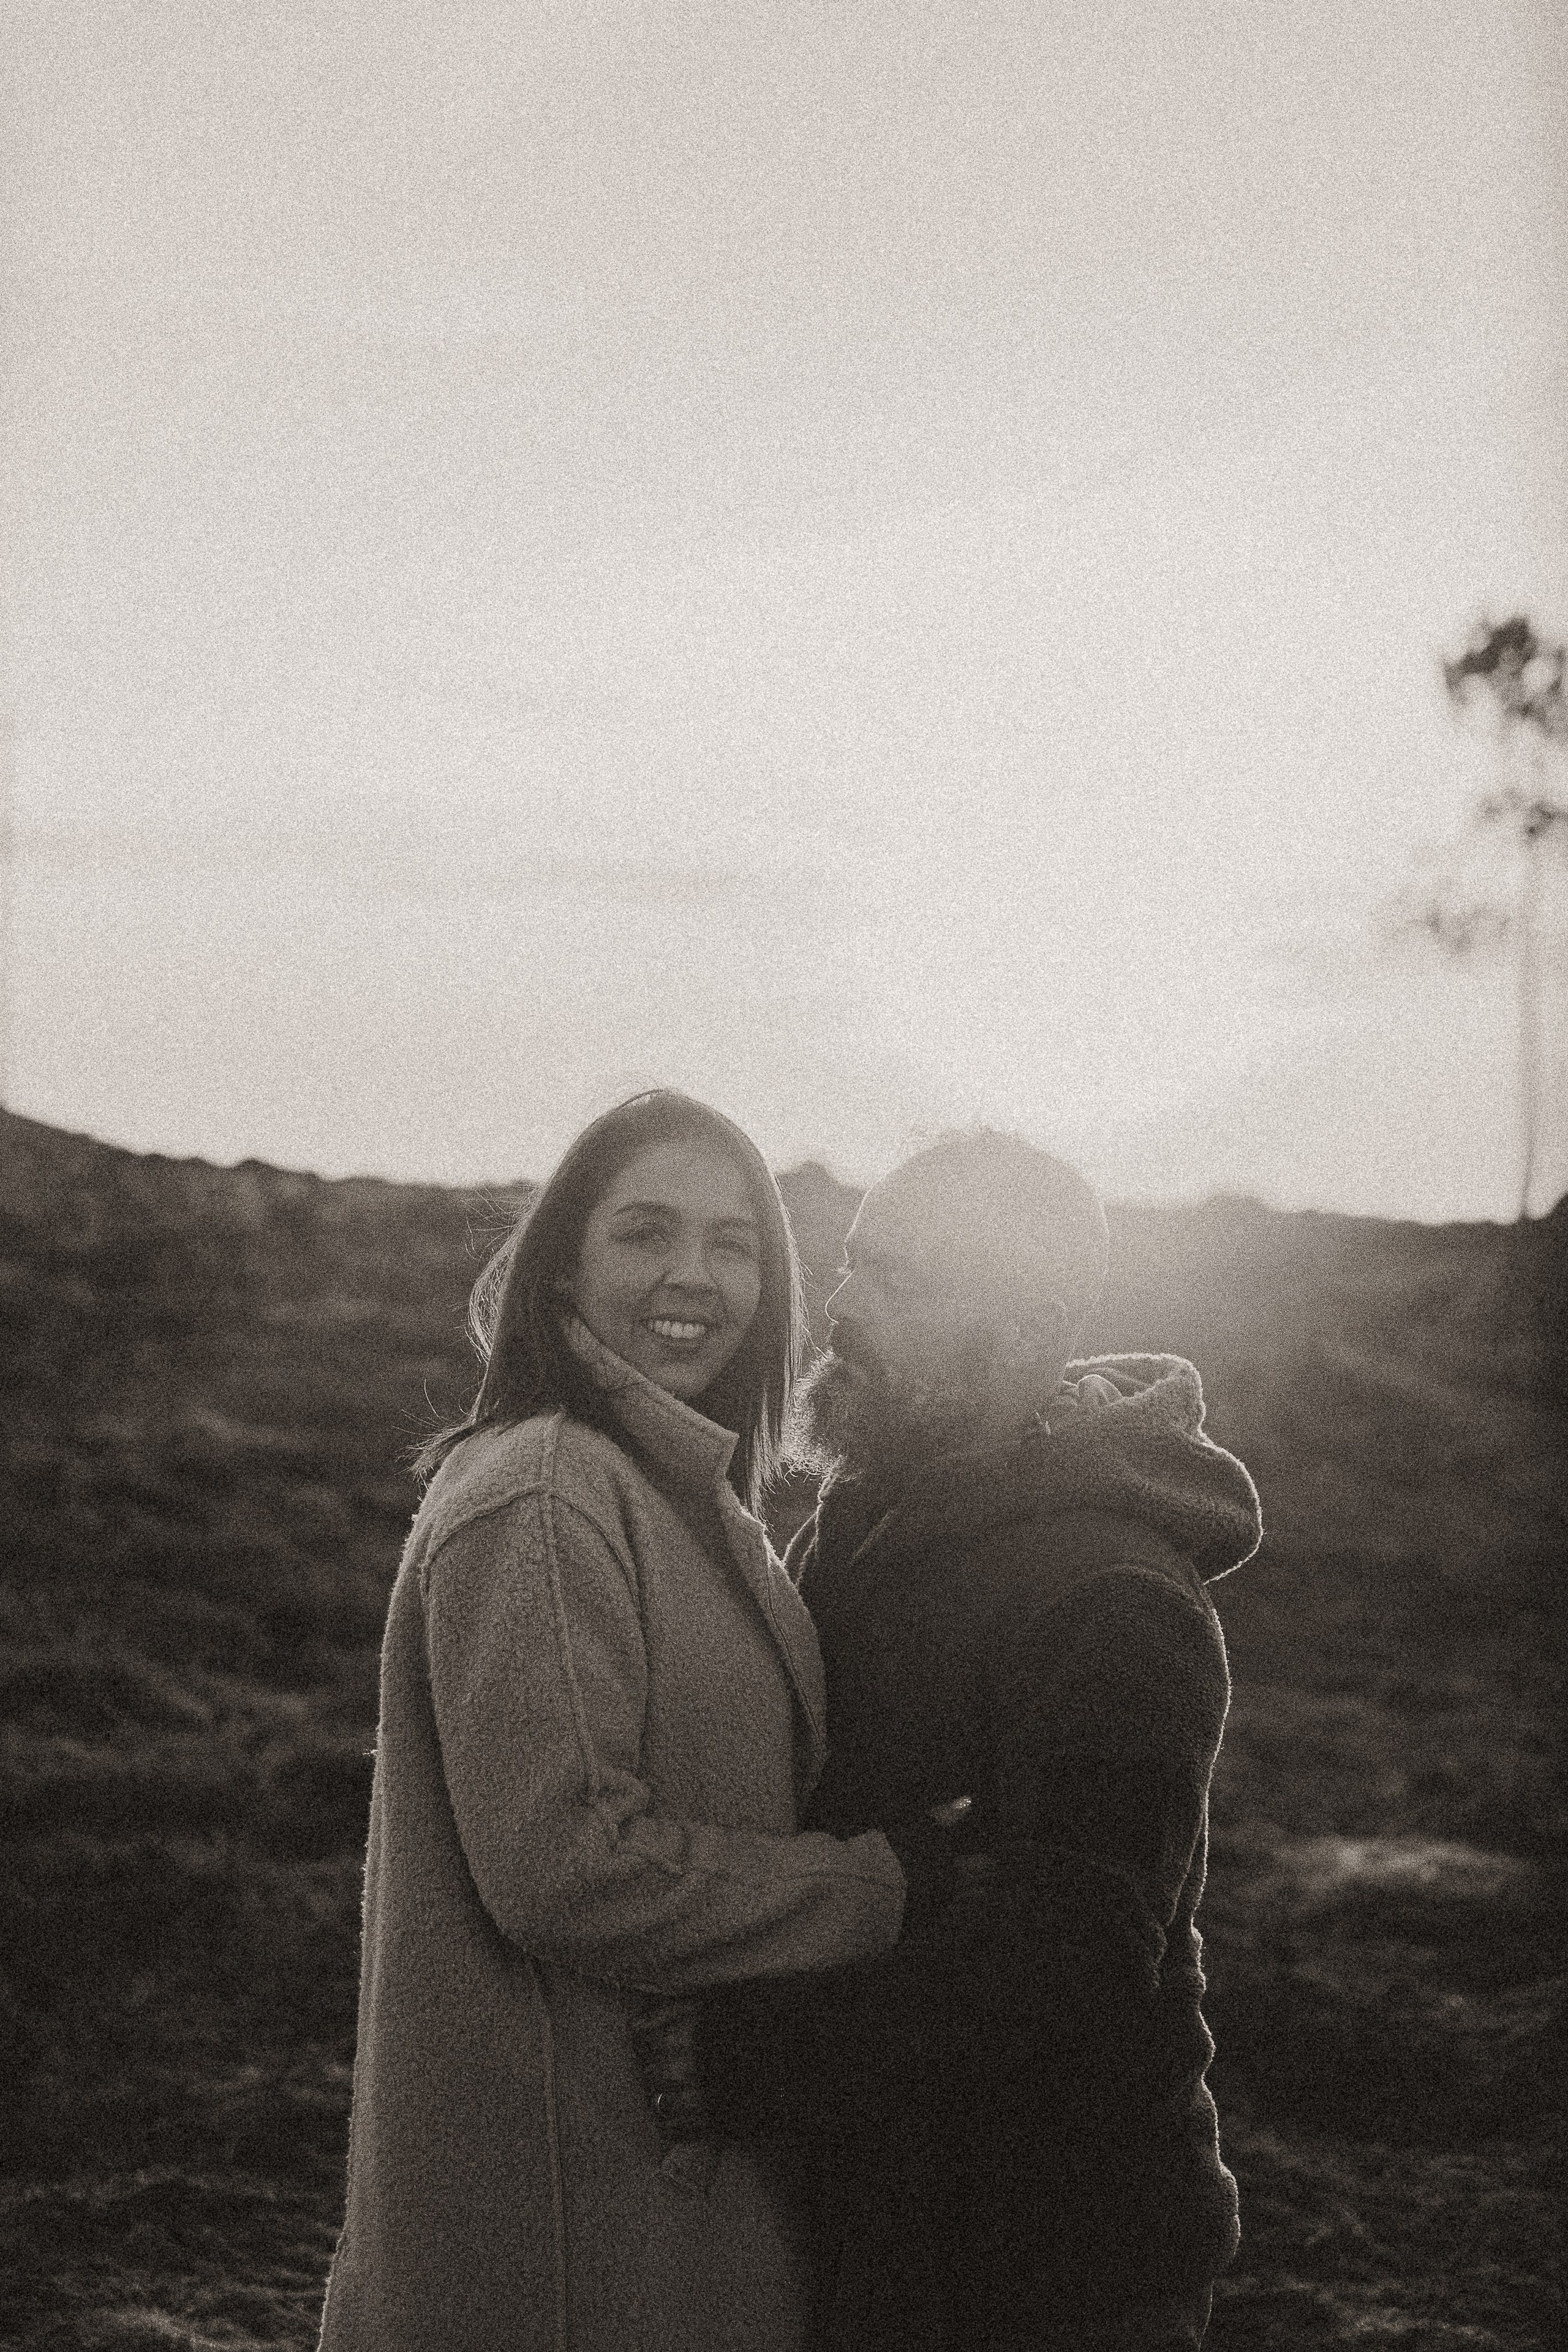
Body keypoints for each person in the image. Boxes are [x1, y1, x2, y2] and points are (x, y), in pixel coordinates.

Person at [317, 1090, 907, 2352]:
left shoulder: (678, 1495)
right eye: (644, 1231)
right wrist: (877, 1892)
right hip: (563, 2213)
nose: (692, 1276)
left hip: (656, 2168)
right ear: (563, 1265)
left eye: (733, 1242)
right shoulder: (541, 1494)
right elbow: (563, 1866)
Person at [708, 1128, 1263, 2351]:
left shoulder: (1115, 1599)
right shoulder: (870, 1502)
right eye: (853, 1260)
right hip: (879, 2214)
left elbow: (1060, 1966)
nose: (839, 1307)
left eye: (896, 1281)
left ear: (1023, 1333)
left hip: (1052, 2268)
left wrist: (735, 2054)